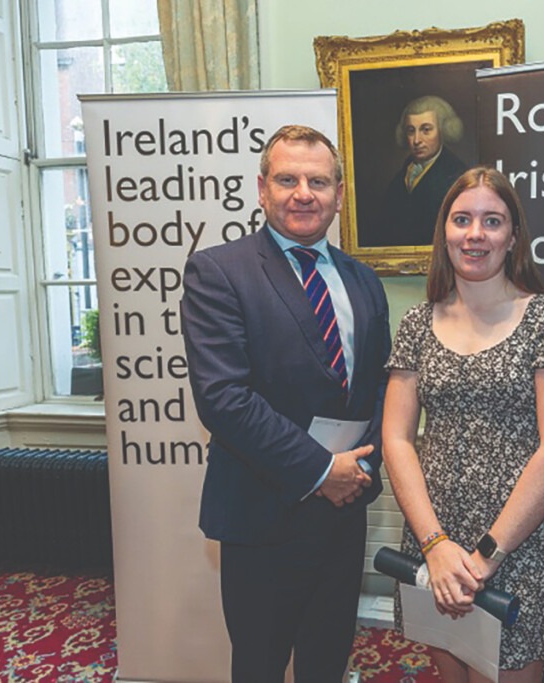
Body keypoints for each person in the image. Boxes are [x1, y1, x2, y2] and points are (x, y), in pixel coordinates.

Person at [180, 125, 391, 682]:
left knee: (328, 662)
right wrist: (321, 469)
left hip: (343, 515)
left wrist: (360, 467)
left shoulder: (364, 282)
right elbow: (223, 399)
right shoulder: (218, 272)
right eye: (288, 179)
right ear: (261, 188)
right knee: (259, 666)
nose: (304, 193)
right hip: (262, 515)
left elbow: (380, 386)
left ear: (339, 195)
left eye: (318, 181)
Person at [382, 166, 544, 681]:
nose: (475, 234)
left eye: (492, 221)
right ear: (444, 232)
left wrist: (484, 557)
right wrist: (436, 546)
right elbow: (396, 439)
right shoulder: (415, 323)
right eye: (462, 220)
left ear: (513, 235)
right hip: (434, 543)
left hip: (518, 547)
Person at [373, 95, 468, 247]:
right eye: (411, 131)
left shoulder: (456, 175)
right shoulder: (403, 174)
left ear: (443, 131)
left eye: (426, 130)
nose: (417, 140)